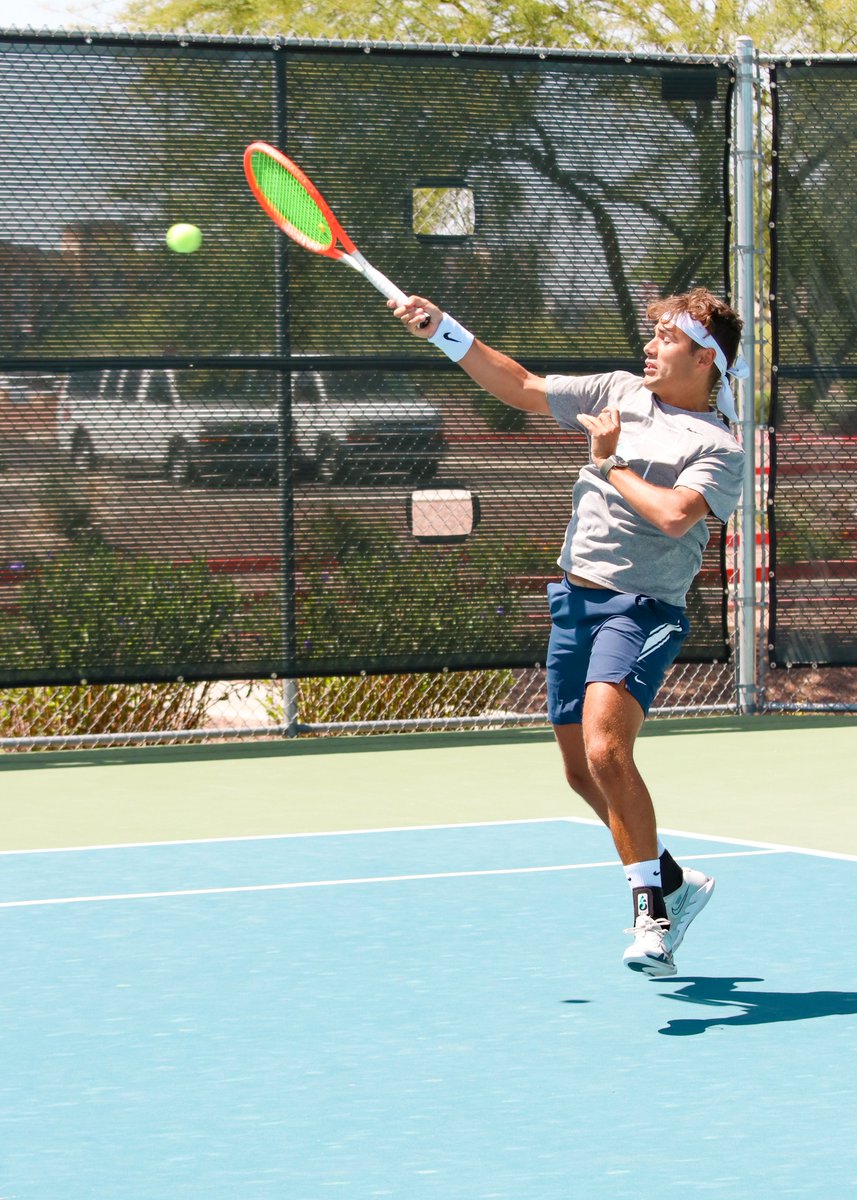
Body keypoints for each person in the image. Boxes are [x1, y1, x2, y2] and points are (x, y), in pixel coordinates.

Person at [390, 287, 746, 978]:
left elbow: (674, 516)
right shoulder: (618, 389)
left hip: (640, 609)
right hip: (573, 600)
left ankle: (652, 914)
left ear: (704, 358)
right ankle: (672, 877)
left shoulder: (717, 445)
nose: (647, 347)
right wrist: (442, 330)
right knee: (581, 772)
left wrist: (609, 462)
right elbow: (519, 386)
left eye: (664, 339)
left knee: (607, 750)